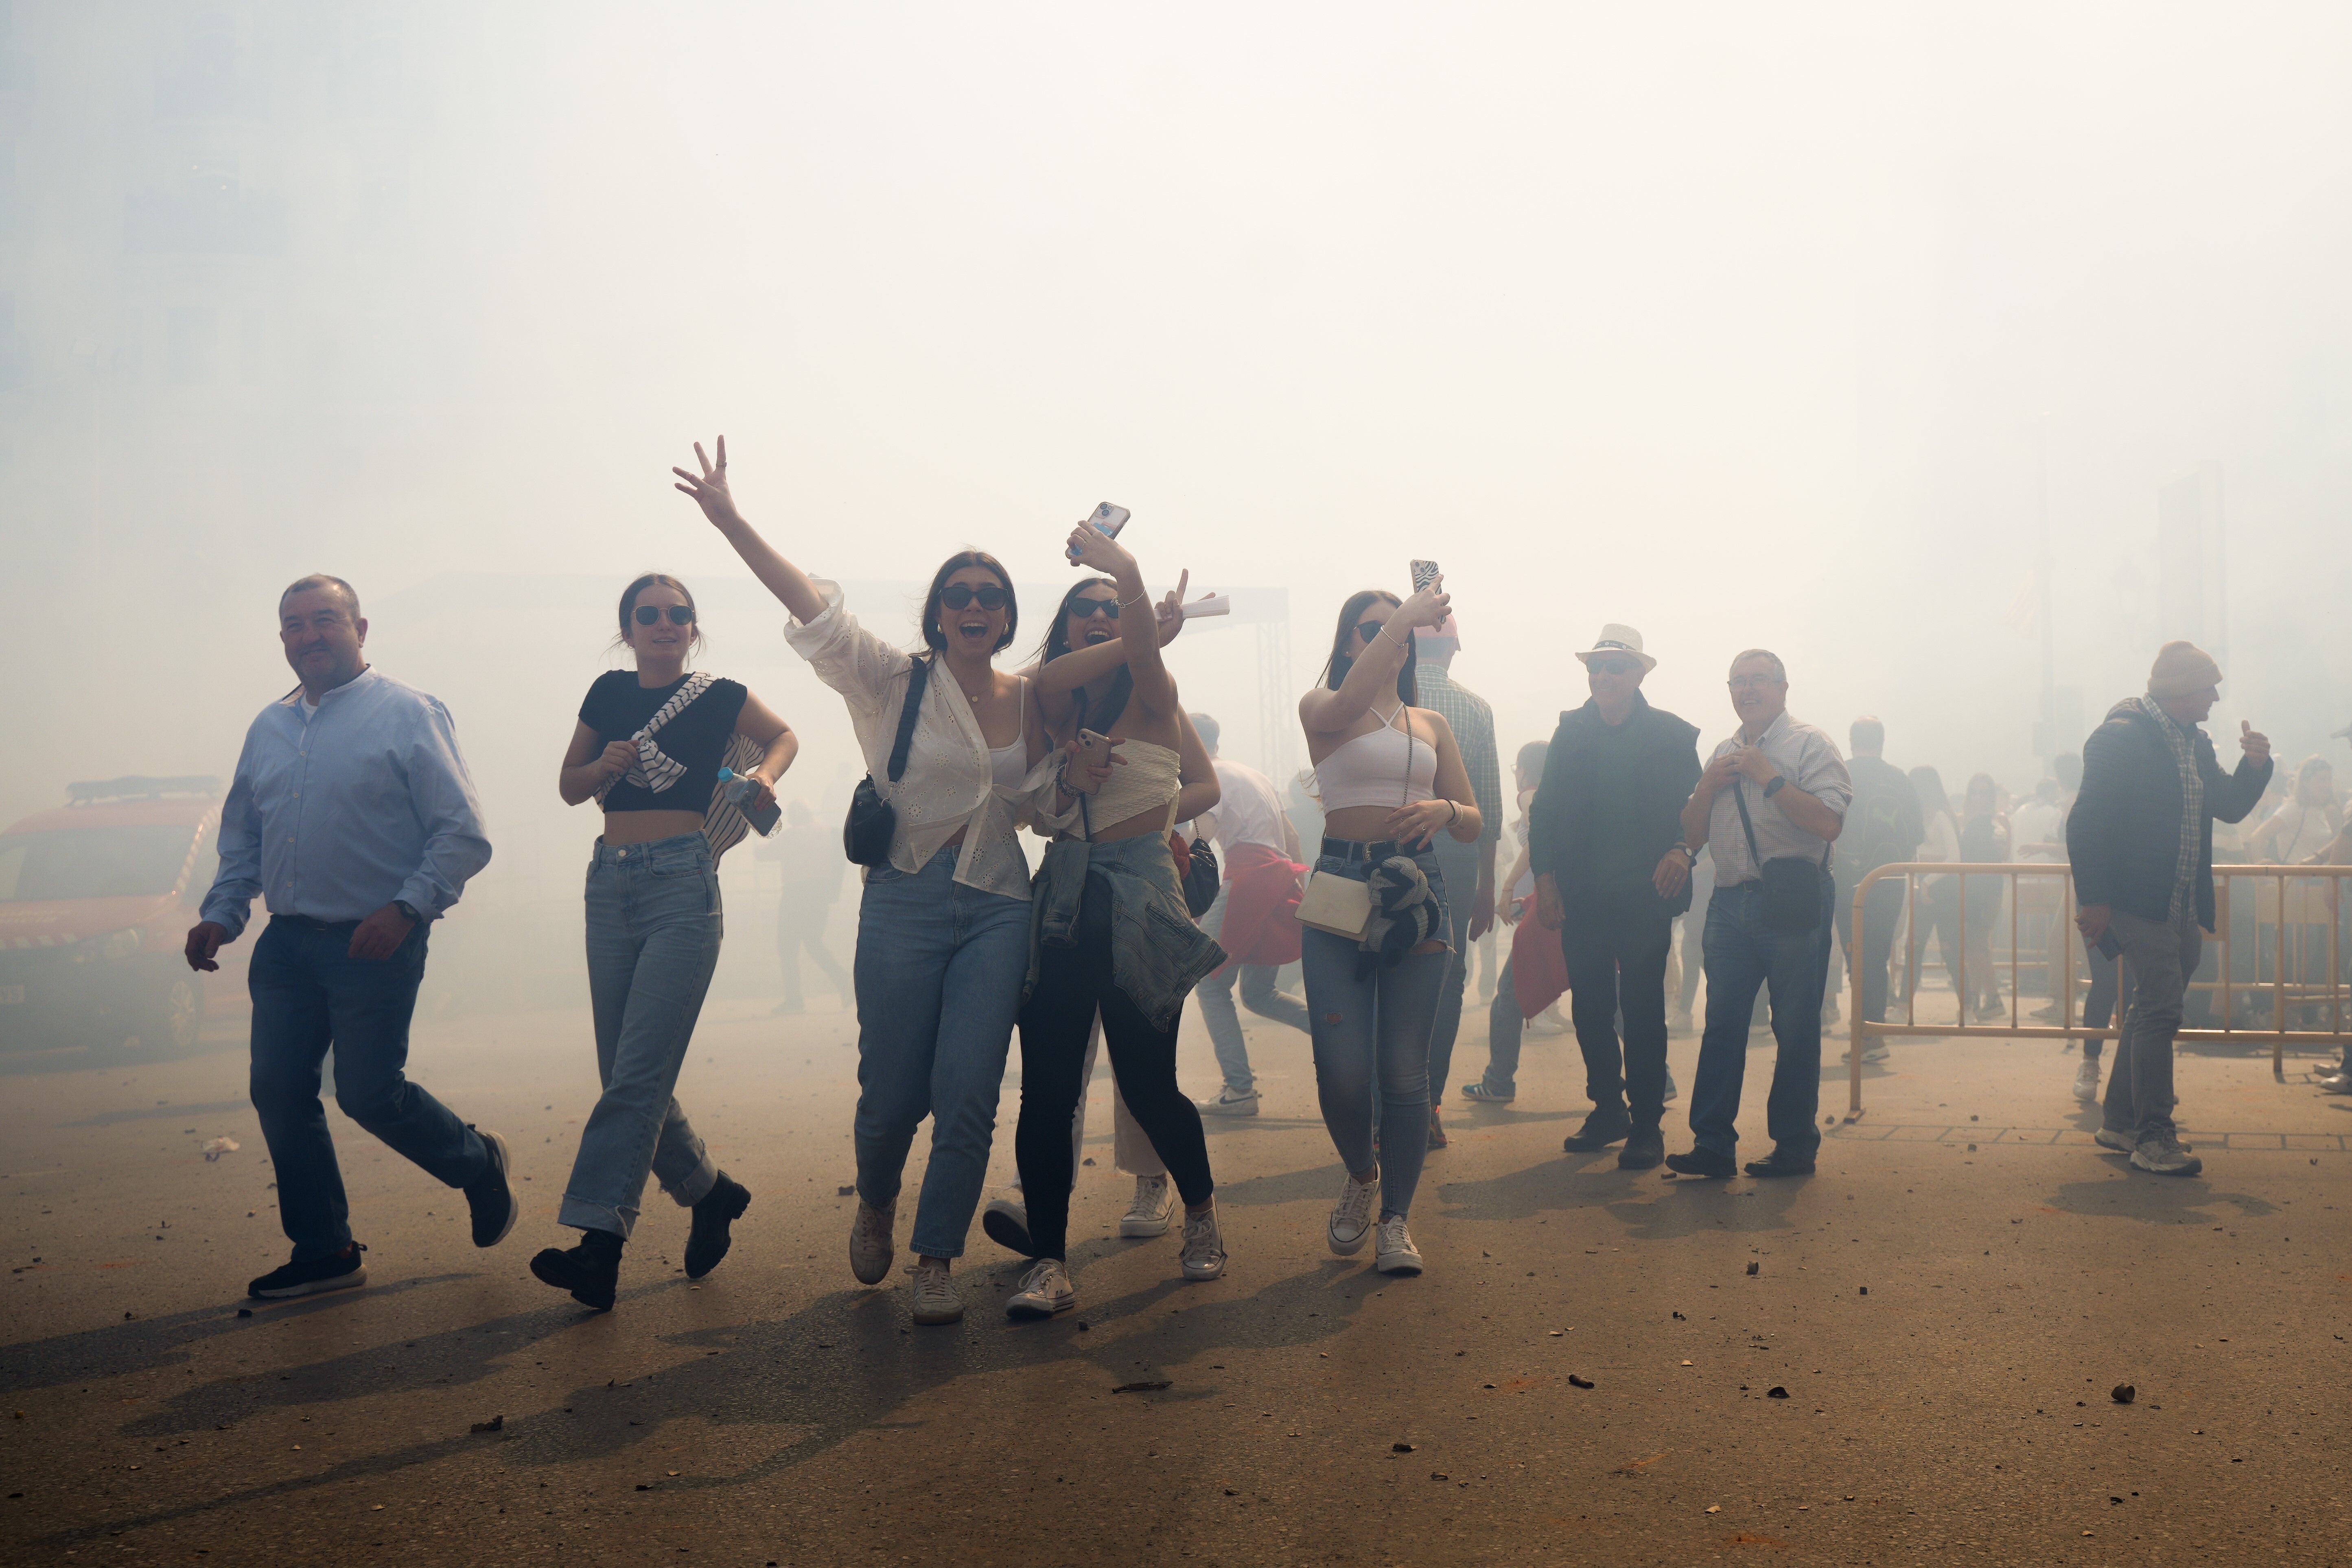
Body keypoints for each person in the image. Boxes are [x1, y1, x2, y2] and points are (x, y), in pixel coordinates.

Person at [677, 437, 1059, 1326]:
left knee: (969, 1089)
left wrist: (1071, 779)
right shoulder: (891, 680)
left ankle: (936, 1257)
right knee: (890, 1093)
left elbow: (1037, 807)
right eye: (958, 594)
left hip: (1001, 903)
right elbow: (811, 606)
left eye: (989, 595)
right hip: (903, 902)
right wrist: (733, 519)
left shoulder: (1034, 697)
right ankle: (878, 1195)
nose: (974, 604)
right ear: (937, 614)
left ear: (1006, 617)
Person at [186, 575, 510, 1300]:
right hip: (287, 946)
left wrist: (405, 909)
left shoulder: (408, 713)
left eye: (325, 620)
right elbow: (244, 839)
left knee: (367, 1093)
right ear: (282, 641)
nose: (310, 635)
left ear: (360, 628)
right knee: (277, 1087)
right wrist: (223, 912)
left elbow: (462, 833)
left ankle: (476, 1161)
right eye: (295, 625)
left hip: (375, 939)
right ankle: (325, 1248)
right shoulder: (267, 727)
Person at [527, 573, 799, 1312]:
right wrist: (602, 767)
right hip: (608, 882)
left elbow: (783, 735)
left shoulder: (719, 693)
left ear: (692, 627)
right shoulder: (607, 693)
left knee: (636, 1075)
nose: (664, 623)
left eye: (678, 614)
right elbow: (568, 785)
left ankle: (598, 1244)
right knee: (626, 1070)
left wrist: (761, 775)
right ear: (627, 628)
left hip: (682, 883)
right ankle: (710, 1191)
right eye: (648, 614)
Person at [1001, 527, 1230, 1320]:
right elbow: (1049, 687)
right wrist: (1070, 773)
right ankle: (1048, 1261)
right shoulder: (1053, 700)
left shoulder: (1154, 690)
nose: (1100, 617)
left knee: (1146, 1080)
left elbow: (1193, 781)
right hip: (1062, 893)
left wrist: (1126, 572)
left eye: (1112, 611)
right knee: (1050, 1088)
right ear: (1066, 627)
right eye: (1085, 610)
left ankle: (1199, 1213)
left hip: (1139, 893)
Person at [1298, 581, 1484, 1275]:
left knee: (1404, 1074)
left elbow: (1473, 816)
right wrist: (1404, 614)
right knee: (1342, 1074)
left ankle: (1396, 1220)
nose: (1387, 638)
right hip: (1340, 883)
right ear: (1348, 641)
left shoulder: (1429, 722)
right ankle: (1362, 1174)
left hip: (1417, 886)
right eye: (1369, 629)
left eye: (1395, 629)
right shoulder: (1324, 709)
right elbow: (1349, 700)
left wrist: (1442, 809)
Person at [2067, 641, 2272, 1176]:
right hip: (2137, 901)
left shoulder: (2192, 742)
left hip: (2180, 901)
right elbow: (2085, 822)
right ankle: (2153, 1136)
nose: (2214, 698)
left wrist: (2254, 766)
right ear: (2182, 690)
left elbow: (2225, 806)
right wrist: (2094, 900)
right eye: (2208, 687)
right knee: (2159, 1008)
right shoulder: (2120, 737)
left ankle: (2118, 1120)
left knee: (2149, 1009)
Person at [1513, 625, 1702, 1171]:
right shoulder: (1571, 733)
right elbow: (1544, 811)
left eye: (1613, 667)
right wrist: (1543, 879)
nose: (1600, 677)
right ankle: (1607, 1110)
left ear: (1638, 674)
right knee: (1590, 1008)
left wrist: (1680, 850)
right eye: (1593, 667)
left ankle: (1646, 1124)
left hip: (1646, 895)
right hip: (1583, 896)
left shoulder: (1671, 734)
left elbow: (1697, 809)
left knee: (1641, 1010)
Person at [1667, 650, 1850, 1180]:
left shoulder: (1809, 744)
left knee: (1793, 1027)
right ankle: (1711, 1144)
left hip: (1790, 900)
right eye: (1738, 682)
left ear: (1782, 688)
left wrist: (1767, 777)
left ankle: (1793, 1146)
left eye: (1758, 682)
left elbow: (1828, 823)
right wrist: (1705, 788)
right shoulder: (1721, 752)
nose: (1747, 691)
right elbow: (1692, 833)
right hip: (1727, 901)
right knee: (1721, 1024)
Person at [1189, 713, 1311, 1116]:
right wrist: (1300, 890)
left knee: (1208, 985)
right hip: (1281, 876)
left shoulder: (1207, 780)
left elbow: (1197, 845)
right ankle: (1347, 1039)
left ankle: (1239, 1091)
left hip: (1248, 877)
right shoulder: (1252, 774)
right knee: (1258, 994)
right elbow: (1290, 836)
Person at [1411, 617, 1502, 1150]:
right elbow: (1485, 804)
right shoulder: (1473, 708)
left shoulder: (1386, 698)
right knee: (1445, 982)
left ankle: (1387, 1110)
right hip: (1457, 850)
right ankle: (1427, 1107)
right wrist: (1486, 885)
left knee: (1389, 972)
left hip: (1390, 846)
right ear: (1453, 648)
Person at [1466, 741, 1555, 1101]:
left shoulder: (1530, 796)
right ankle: (1659, 1078)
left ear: (1524, 770)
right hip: (1552, 902)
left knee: (1508, 996)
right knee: (1602, 994)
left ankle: (1499, 1081)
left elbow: (1539, 845)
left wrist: (1504, 888)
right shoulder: (1555, 795)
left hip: (1549, 910)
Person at [1833, 717, 1923, 1063]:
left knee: (1856, 954)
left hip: (1847, 880)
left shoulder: (1839, 773)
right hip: (1890, 879)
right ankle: (1874, 1032)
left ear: (1851, 740)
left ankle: (1868, 1034)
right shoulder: (1899, 779)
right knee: (1878, 956)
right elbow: (1915, 832)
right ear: (1882, 742)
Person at [765, 799, 852, 1015]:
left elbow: (762, 855)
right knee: (814, 943)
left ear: (794, 818)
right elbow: (840, 862)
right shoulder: (829, 832)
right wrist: (834, 892)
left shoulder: (792, 836)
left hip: (795, 894)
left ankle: (795, 1000)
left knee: (788, 948)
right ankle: (845, 983)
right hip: (821, 893)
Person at [1956, 772, 2011, 1021]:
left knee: (1975, 946)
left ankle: (1992, 998)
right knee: (1974, 948)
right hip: (1970, 889)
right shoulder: (1967, 821)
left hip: (1986, 892)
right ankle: (1975, 1000)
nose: (1979, 797)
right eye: (1975, 792)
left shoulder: (1997, 821)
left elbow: (2003, 852)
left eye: (1984, 792)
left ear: (1992, 796)